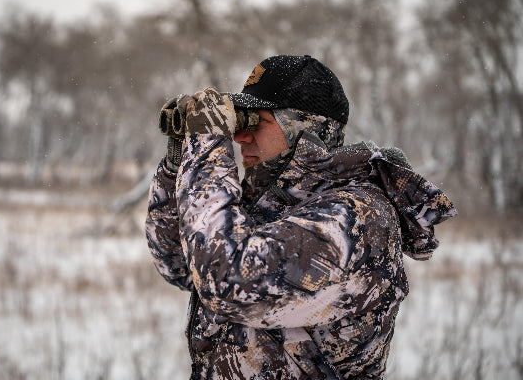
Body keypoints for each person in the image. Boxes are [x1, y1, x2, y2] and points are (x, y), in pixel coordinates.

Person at [145, 55, 456, 379]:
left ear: (305, 127)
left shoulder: (358, 218)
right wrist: (178, 160)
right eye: (239, 123)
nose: (239, 138)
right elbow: (179, 265)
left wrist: (208, 147)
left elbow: (227, 282)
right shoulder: (270, 205)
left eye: (256, 122)